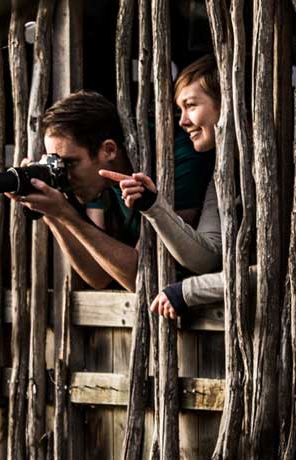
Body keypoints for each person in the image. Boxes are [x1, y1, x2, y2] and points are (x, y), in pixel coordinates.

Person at [6, 89, 212, 293]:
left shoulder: (176, 159)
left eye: (68, 163)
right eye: (55, 163)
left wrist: (66, 214)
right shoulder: (94, 178)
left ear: (109, 150)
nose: (63, 174)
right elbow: (99, 275)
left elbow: (141, 277)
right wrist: (51, 214)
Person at [99, 55, 225, 321]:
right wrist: (153, 206)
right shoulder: (224, 173)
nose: (182, 121)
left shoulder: (290, 166)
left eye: (191, 105)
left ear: (226, 103)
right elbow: (207, 256)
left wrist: (190, 290)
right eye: (180, 110)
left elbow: (276, 268)